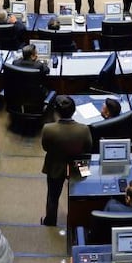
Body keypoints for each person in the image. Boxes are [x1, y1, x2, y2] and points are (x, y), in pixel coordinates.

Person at [41, 95, 92, 227]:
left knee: (53, 195)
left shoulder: (48, 128)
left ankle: (50, 221)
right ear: (74, 110)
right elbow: (88, 147)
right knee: (78, 194)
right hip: (78, 166)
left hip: (55, 166)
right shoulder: (84, 129)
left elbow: (45, 147)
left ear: (56, 111)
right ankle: (76, 222)